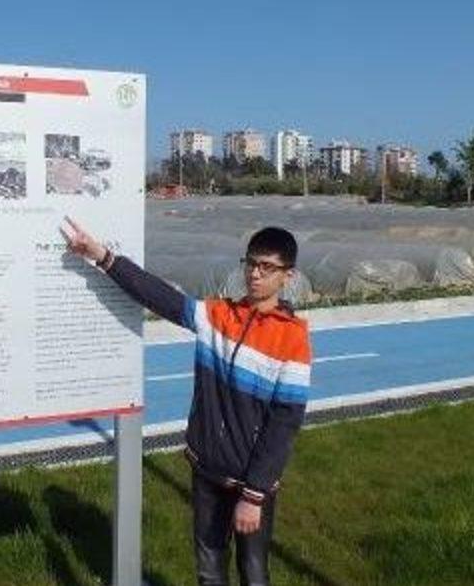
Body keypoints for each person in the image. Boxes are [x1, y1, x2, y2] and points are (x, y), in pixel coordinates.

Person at [62, 218, 312, 586]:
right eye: (250, 263)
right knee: (209, 569)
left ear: (287, 276)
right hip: (206, 471)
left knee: (254, 571)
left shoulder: (292, 340)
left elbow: (284, 425)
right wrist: (101, 256)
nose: (255, 274)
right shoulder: (217, 316)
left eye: (267, 267)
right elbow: (159, 296)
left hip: (250, 481)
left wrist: (254, 495)